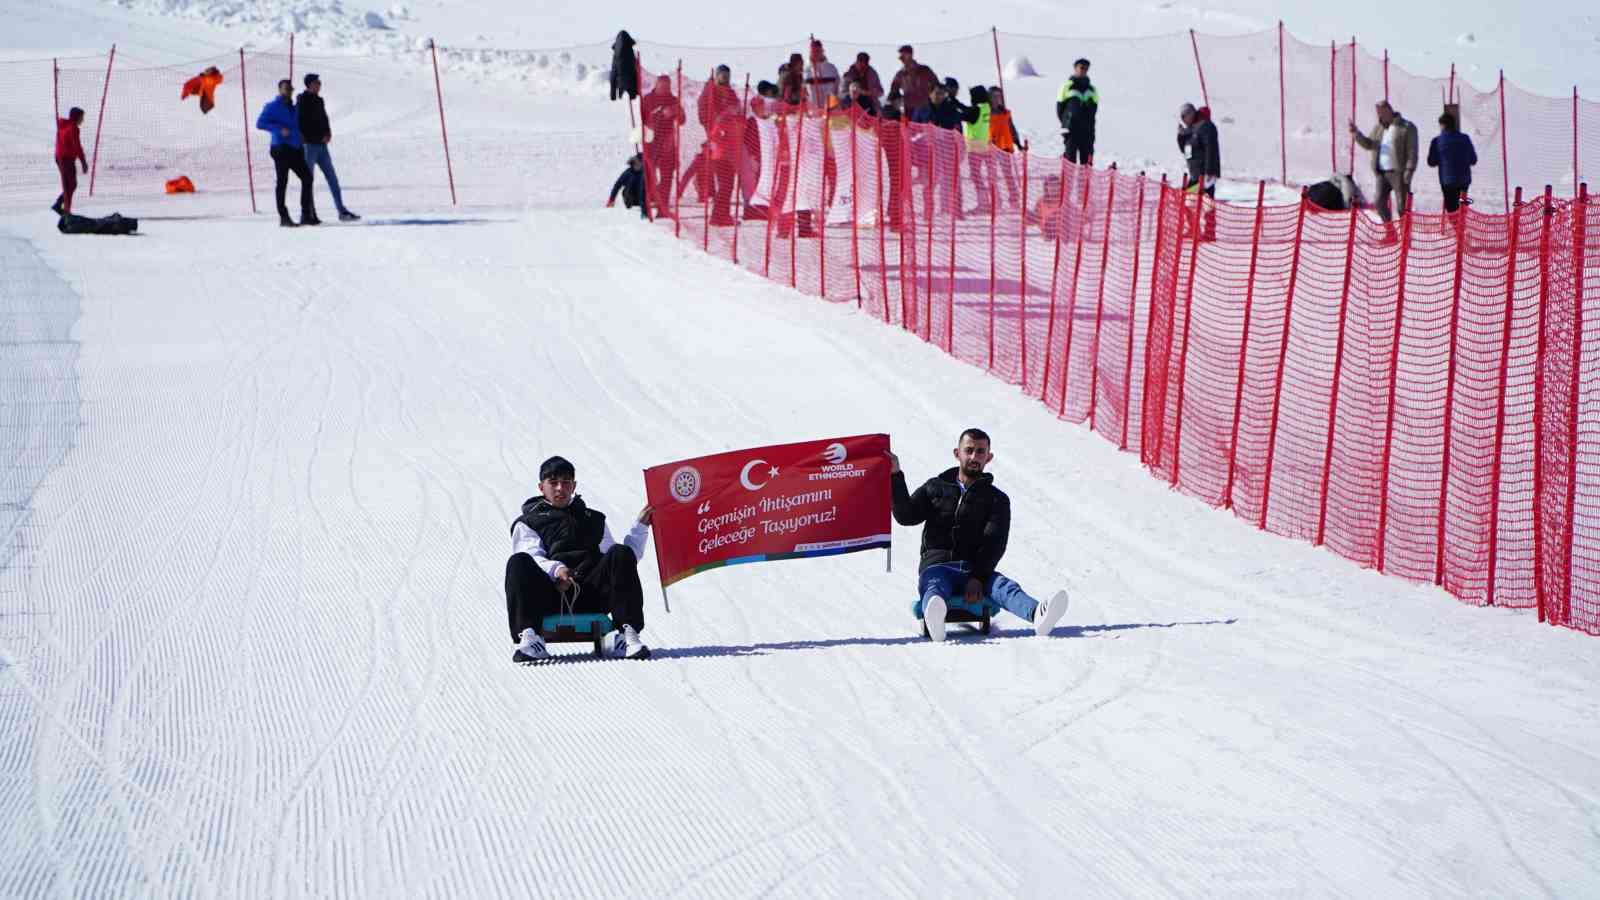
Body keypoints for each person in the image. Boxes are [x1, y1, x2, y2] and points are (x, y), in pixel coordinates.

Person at [887, 429, 1068, 641]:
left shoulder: (996, 499)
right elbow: (906, 516)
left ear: (988, 457)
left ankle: (1038, 614)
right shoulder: (935, 487)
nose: (974, 457)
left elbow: (994, 542)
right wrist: (895, 475)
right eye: (969, 450)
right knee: (934, 585)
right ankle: (934, 615)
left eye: (980, 452)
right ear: (957, 453)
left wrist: (978, 577)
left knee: (1003, 586)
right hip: (937, 565)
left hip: (973, 567)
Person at [506, 456, 654, 663]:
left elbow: (621, 563)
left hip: (591, 593)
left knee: (620, 552)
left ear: (574, 486)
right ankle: (530, 637)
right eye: (553, 482)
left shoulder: (592, 519)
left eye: (566, 482)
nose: (560, 488)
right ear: (541, 487)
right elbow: (532, 554)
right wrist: (557, 571)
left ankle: (626, 635)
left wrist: (640, 528)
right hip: (552, 595)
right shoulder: (528, 522)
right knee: (518, 562)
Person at [297, 73, 360, 222]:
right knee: (308, 181)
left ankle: (341, 211)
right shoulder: (302, 100)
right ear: (309, 84)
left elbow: (324, 118)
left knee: (332, 178)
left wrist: (328, 133)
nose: (319, 85)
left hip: (321, 146)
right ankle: (308, 213)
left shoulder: (319, 100)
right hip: (309, 146)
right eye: (316, 82)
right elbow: (299, 122)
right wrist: (304, 139)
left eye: (319, 82)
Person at [255, 79, 317, 227]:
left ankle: (306, 215)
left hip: (295, 148)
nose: (289, 91)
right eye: (286, 89)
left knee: (307, 178)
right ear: (280, 89)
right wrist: (278, 129)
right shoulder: (272, 106)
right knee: (282, 182)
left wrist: (299, 135)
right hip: (280, 149)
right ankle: (284, 217)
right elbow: (260, 123)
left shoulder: (293, 107)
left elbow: (294, 125)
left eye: (290, 89)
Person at [1349, 100, 1418, 224]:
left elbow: (1412, 150)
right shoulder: (1378, 128)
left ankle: (1404, 235)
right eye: (1378, 113)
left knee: (1402, 206)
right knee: (1379, 203)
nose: (1380, 115)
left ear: (1389, 110)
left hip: (1399, 173)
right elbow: (1369, 144)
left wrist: (1409, 169)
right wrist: (1356, 134)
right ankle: (1390, 232)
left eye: (1382, 112)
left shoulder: (1406, 127)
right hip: (1382, 173)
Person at [697, 64, 742, 225]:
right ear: (716, 75)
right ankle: (718, 216)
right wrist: (716, 125)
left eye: (727, 76)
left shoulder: (729, 92)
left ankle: (722, 215)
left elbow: (737, 107)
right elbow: (705, 114)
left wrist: (735, 111)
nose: (725, 78)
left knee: (728, 181)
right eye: (722, 75)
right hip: (718, 141)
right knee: (725, 181)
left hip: (730, 141)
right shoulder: (709, 92)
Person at [641, 74, 686, 220]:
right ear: (657, 85)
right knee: (649, 175)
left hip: (667, 144)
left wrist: (677, 112)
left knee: (667, 176)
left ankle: (663, 208)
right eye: (662, 86)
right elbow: (641, 119)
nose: (665, 89)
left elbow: (682, 120)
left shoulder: (673, 100)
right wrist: (658, 115)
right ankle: (645, 205)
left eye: (667, 86)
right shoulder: (648, 99)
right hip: (651, 142)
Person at [1177, 102, 1220, 239]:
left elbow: (1210, 148)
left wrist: (1210, 171)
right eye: (1181, 117)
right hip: (1196, 175)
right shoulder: (1193, 130)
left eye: (1185, 116)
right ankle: (1194, 229)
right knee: (1188, 200)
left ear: (1191, 114)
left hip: (1205, 174)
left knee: (1204, 202)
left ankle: (1208, 232)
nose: (1183, 119)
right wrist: (1182, 136)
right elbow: (1187, 151)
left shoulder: (1205, 126)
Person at [1427, 111, 1477, 213]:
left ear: (1442, 125)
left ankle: (1458, 228)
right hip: (1464, 181)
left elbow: (1431, 162)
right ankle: (1461, 227)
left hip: (1447, 182)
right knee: (1462, 208)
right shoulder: (1465, 138)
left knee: (1452, 210)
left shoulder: (1437, 141)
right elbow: (1473, 160)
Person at [1056, 58, 1098, 165]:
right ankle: (1068, 182)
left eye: (1086, 68)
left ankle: (1083, 182)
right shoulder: (1066, 86)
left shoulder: (1092, 90)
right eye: (1081, 67)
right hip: (1071, 130)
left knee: (1086, 163)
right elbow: (1060, 109)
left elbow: (1094, 111)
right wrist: (1066, 123)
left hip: (1087, 131)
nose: (1083, 70)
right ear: (1075, 68)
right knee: (1070, 161)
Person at [52, 107, 87, 217]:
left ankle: (61, 206)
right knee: (70, 185)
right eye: (81, 117)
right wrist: (83, 162)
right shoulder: (73, 128)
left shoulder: (64, 126)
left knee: (69, 184)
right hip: (65, 159)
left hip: (61, 157)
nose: (83, 120)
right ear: (76, 117)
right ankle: (64, 209)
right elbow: (77, 146)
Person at [887, 45, 939, 118]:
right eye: (900, 55)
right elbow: (893, 91)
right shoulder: (900, 74)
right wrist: (892, 104)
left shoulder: (924, 70)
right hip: (909, 110)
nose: (900, 58)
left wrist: (933, 100)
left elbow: (936, 85)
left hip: (924, 108)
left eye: (903, 55)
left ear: (910, 54)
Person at [804, 40, 840, 108]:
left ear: (822, 51)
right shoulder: (807, 70)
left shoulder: (831, 68)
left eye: (817, 51)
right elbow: (804, 91)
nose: (815, 54)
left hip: (830, 110)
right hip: (813, 111)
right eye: (813, 52)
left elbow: (838, 88)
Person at [609, 30, 639, 101]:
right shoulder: (631, 53)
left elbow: (613, 75)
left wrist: (613, 96)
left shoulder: (616, 55)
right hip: (632, 86)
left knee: (622, 106)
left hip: (620, 86)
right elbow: (636, 71)